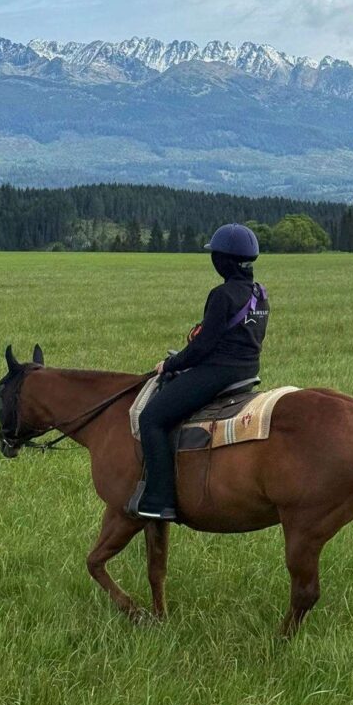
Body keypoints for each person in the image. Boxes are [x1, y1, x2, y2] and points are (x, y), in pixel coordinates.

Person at [126, 223, 269, 521]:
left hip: (218, 373)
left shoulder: (222, 294)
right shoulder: (260, 294)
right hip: (247, 371)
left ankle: (159, 499)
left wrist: (170, 364)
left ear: (223, 260)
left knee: (151, 417)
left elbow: (203, 347)